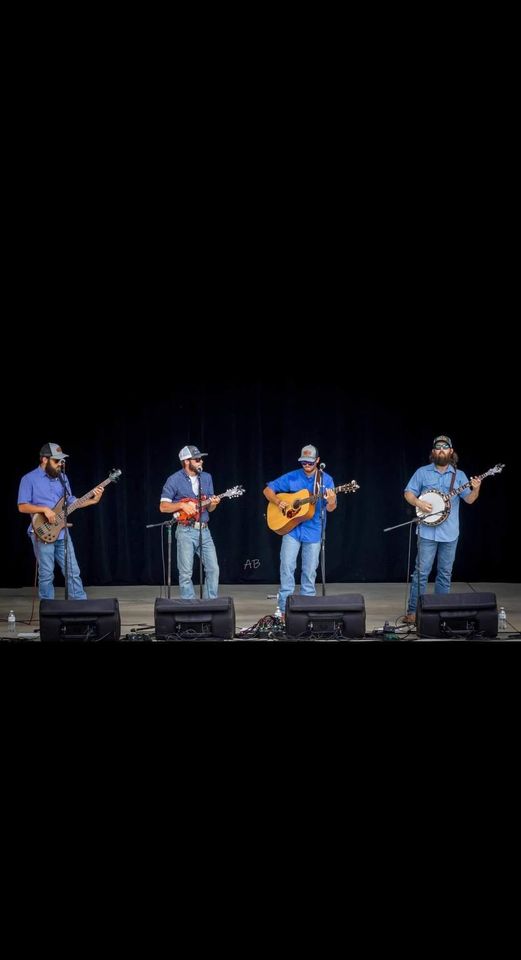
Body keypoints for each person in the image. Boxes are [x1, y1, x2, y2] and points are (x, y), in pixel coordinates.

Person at [403, 435, 481, 623]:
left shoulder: (459, 475)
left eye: (445, 448)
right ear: (433, 452)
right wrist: (418, 502)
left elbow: (469, 499)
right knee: (421, 573)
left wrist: (476, 488)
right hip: (427, 531)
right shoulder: (422, 472)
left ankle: (439, 611)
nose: (441, 451)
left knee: (445, 574)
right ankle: (413, 611)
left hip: (450, 532)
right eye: (438, 448)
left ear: (451, 451)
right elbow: (408, 493)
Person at [17, 442, 105, 599]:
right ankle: (47, 610)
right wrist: (43, 509)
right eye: (56, 461)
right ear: (44, 459)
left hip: (62, 531)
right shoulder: (29, 479)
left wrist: (93, 500)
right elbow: (22, 507)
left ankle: (81, 607)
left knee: (73, 571)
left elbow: (70, 501)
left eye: (62, 461)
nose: (60, 464)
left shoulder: (63, 478)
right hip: (42, 532)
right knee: (46, 574)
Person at [263, 444, 337, 619]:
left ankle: (306, 610)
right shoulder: (293, 476)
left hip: (314, 530)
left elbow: (331, 508)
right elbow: (267, 490)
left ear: (318, 461)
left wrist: (332, 500)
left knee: (309, 572)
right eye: (304, 462)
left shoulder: (326, 480)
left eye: (310, 462)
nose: (307, 465)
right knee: (287, 568)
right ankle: (283, 609)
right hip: (292, 529)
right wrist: (278, 501)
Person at [159, 444, 221, 599]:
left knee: (213, 569)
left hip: (204, 530)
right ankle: (189, 608)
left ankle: (210, 605)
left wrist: (213, 503)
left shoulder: (207, 478)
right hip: (185, 530)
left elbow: (210, 509)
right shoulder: (174, 480)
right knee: (186, 572)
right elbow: (163, 507)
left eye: (201, 459)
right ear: (187, 461)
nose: (201, 462)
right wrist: (181, 505)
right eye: (197, 459)